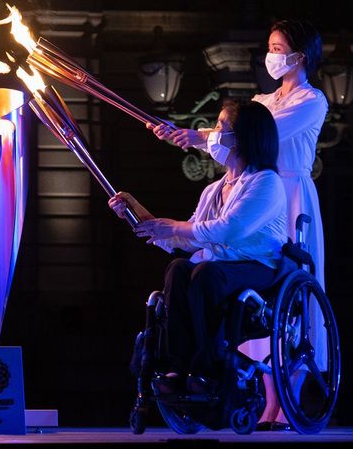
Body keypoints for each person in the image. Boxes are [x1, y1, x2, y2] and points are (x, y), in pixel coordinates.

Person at [147, 19, 327, 429]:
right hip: (249, 185)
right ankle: (257, 399)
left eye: (279, 47)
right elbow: (238, 136)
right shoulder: (262, 99)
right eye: (270, 46)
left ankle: (287, 402)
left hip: (287, 193)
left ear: (300, 55)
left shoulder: (311, 100)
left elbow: (259, 135)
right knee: (226, 287)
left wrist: (198, 136)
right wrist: (192, 137)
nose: (272, 55)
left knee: (289, 304)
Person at [109, 100, 287, 393]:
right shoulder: (214, 189)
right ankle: (176, 366)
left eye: (221, 127)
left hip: (258, 266)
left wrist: (175, 226)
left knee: (204, 273)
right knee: (180, 267)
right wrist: (137, 213)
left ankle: (206, 368)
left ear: (243, 138)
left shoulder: (266, 182)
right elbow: (186, 241)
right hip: (218, 268)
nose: (213, 134)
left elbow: (229, 230)